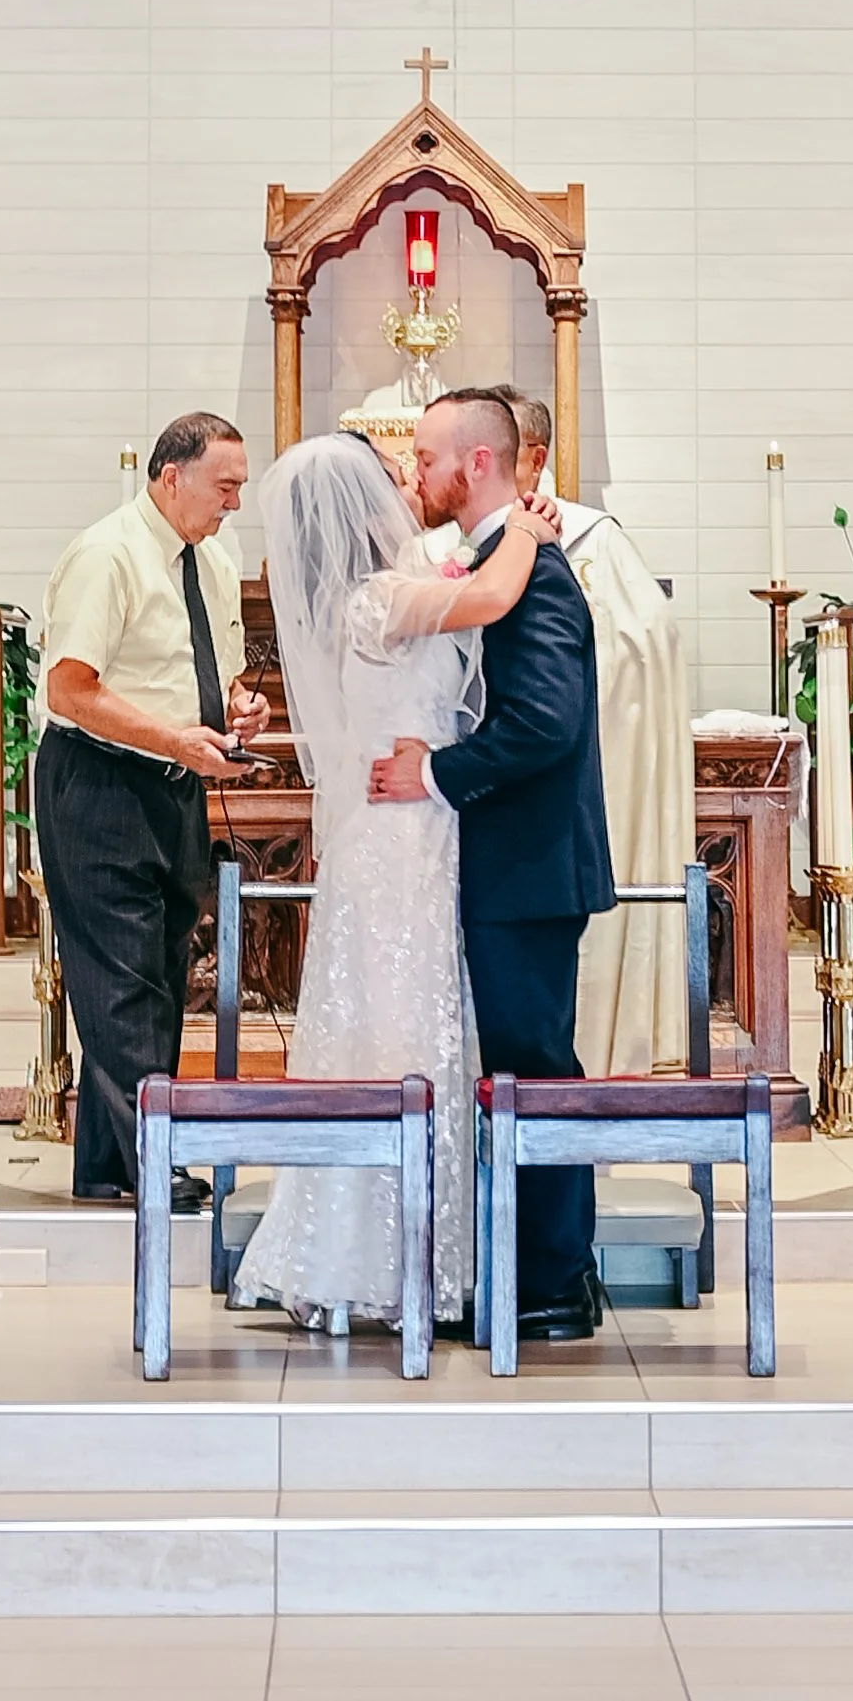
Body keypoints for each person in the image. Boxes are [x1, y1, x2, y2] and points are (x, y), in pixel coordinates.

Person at [234, 433, 561, 1330]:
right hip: (401, 835)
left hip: (411, 824)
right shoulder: (379, 599)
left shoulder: (380, 593)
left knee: (404, 1027)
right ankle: (383, 1255)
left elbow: (459, 575)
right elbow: (490, 594)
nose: (404, 488)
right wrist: (528, 524)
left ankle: (405, 1251)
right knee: (400, 1033)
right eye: (389, 479)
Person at [368, 390, 616, 1343]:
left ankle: (555, 1279)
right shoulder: (494, 555)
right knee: (513, 1067)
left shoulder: (535, 568)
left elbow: (546, 722)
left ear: (476, 464)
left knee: (534, 1069)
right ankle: (532, 1265)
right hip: (509, 867)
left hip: (529, 867)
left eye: (426, 456)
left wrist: (434, 771)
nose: (415, 473)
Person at [36, 413, 272, 1210]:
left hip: (174, 781)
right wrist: (175, 731)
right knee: (122, 977)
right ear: (172, 475)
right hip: (100, 781)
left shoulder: (212, 557)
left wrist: (237, 709)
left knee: (163, 970)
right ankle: (152, 1160)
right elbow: (69, 687)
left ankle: (109, 1165)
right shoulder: (108, 554)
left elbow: (219, 671)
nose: (235, 502)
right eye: (225, 485)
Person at [495, 388, 697, 1076]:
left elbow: (638, 654)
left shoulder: (590, 539)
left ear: (536, 458)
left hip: (574, 796)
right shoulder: (474, 539)